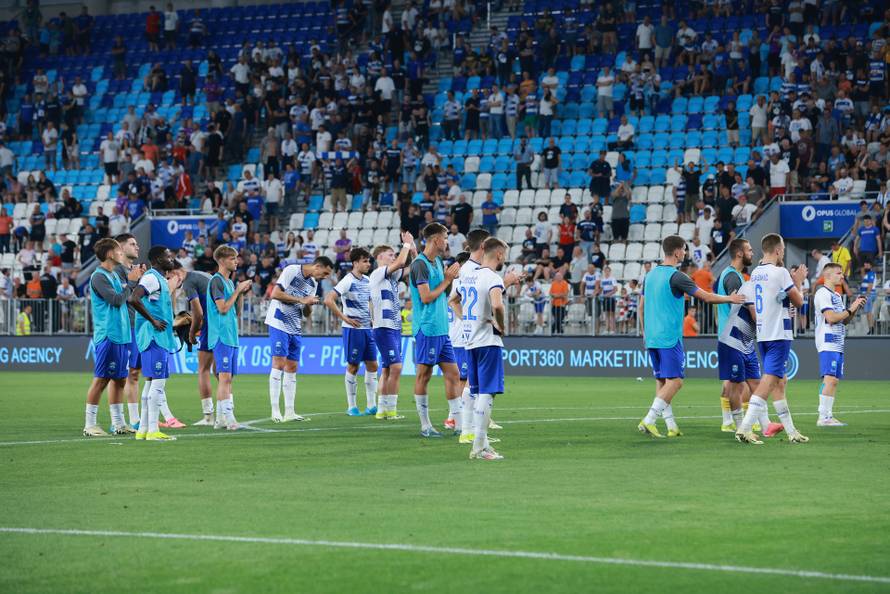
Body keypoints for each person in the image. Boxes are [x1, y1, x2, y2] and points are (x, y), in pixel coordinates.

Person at [638, 235, 745, 438]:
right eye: (684, 250)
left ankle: (671, 426)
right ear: (677, 252)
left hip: (651, 336)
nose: (685, 253)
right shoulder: (677, 276)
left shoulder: (649, 275)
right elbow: (705, 296)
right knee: (676, 381)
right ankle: (649, 419)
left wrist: (644, 332)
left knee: (662, 380)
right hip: (669, 337)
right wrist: (729, 298)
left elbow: (641, 306)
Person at [734, 233, 810, 445]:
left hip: (764, 333)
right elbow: (799, 301)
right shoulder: (780, 272)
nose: (783, 252)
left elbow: (775, 299)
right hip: (779, 333)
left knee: (780, 382)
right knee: (769, 381)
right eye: (783, 248)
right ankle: (745, 428)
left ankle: (791, 431)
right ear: (777, 250)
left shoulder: (756, 273)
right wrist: (799, 281)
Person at [456, 238, 512, 461]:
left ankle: (482, 443)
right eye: (504, 254)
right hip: (488, 341)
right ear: (498, 254)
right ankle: (479, 447)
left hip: (470, 341)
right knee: (487, 392)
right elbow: (497, 305)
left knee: (478, 390)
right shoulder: (492, 278)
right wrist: (501, 325)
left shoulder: (469, 275)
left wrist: (468, 321)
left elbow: (453, 300)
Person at [83, 238, 143, 437]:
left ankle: (119, 423)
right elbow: (117, 300)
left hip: (122, 335)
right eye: (118, 251)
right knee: (101, 379)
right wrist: (132, 283)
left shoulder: (113, 276)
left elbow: (126, 298)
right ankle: (89, 424)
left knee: (119, 380)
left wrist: (133, 285)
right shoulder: (99, 277)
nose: (121, 253)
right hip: (108, 335)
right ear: (110, 254)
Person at [408, 223, 461, 438]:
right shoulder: (419, 265)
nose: (447, 241)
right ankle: (425, 425)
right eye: (445, 237)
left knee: (454, 374)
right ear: (435, 240)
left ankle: (459, 423)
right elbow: (426, 297)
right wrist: (447, 279)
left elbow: (441, 292)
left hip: (441, 328)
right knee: (424, 375)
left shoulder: (437, 261)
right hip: (427, 328)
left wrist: (449, 280)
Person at [266, 256, 333, 422]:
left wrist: (308, 305)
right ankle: (275, 410)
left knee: (292, 366)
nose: (324, 277)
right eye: (324, 273)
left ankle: (290, 412)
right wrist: (302, 299)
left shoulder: (314, 284)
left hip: (295, 325)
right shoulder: (292, 270)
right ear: (317, 266)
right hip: (279, 320)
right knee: (278, 363)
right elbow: (275, 293)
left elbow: (305, 312)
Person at [128, 246, 181, 441]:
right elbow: (133, 298)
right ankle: (153, 430)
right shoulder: (151, 278)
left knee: (150, 383)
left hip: (156, 337)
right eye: (168, 256)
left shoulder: (159, 280)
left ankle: (143, 429)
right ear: (158, 259)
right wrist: (153, 321)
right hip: (153, 336)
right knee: (158, 384)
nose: (171, 258)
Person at [325, 248, 379, 416]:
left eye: (369, 261)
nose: (368, 264)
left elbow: (370, 301)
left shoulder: (368, 280)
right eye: (365, 261)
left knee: (373, 365)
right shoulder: (347, 281)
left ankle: (372, 405)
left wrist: (372, 318)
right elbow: (329, 299)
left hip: (367, 329)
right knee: (353, 366)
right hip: (353, 330)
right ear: (355, 263)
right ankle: (352, 406)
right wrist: (345, 318)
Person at [370, 233, 416, 420]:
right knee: (396, 367)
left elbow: (411, 268)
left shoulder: (391, 277)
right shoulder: (377, 273)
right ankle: (391, 410)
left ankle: (382, 410)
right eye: (390, 254)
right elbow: (399, 264)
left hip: (394, 327)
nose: (393, 256)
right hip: (383, 326)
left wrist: (413, 251)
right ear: (380, 257)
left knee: (388, 368)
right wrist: (405, 245)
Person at [813, 264, 866, 427]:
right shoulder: (822, 293)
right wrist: (850, 309)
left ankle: (828, 415)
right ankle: (823, 417)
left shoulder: (835, 295)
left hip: (837, 341)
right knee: (829, 378)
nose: (842, 276)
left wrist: (855, 308)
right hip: (827, 340)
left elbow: (844, 319)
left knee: (834, 380)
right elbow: (830, 318)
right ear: (828, 275)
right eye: (838, 273)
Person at [206, 246, 252, 431]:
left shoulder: (230, 283)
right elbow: (223, 308)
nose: (236, 261)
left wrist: (240, 293)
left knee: (227, 378)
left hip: (231, 335)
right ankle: (230, 418)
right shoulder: (216, 281)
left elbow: (235, 311)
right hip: (221, 335)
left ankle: (219, 419)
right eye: (233, 258)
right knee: (224, 377)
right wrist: (237, 291)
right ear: (223, 260)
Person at [171, 262, 214, 425]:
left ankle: (209, 416)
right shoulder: (202, 275)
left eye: (170, 277)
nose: (171, 282)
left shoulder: (189, 282)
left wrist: (191, 332)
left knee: (203, 369)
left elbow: (199, 312)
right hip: (226, 323)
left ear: (176, 272)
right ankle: (227, 414)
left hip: (211, 324)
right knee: (221, 373)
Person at [113, 233, 145, 430]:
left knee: (134, 374)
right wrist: (133, 281)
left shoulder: (135, 271)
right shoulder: (116, 272)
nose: (137, 247)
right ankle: (118, 420)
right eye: (133, 244)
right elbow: (118, 299)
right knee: (119, 375)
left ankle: (135, 419)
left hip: (138, 327)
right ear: (121, 248)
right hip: (124, 329)